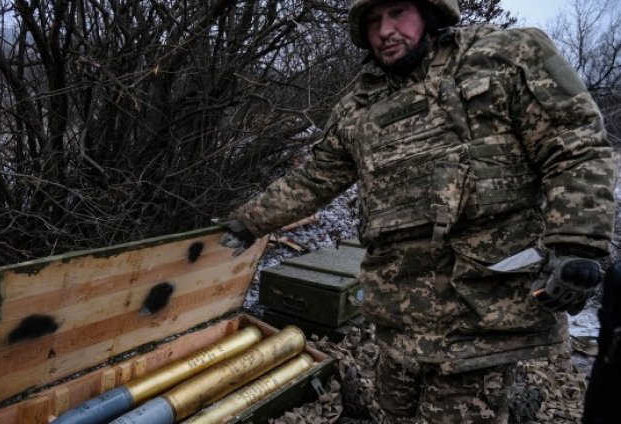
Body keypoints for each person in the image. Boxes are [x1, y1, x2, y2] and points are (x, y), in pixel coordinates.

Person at [216, 0, 619, 422]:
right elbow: (315, 178)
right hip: (399, 312)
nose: (385, 31)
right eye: (373, 20)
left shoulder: (503, 55)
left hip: (481, 310)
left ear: (429, 13)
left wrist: (577, 242)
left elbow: (575, 145)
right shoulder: (359, 106)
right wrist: (249, 221)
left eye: (397, 13)